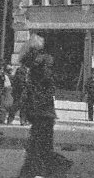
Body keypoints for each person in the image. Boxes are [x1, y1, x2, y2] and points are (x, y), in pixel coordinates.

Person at [18, 36, 72, 178]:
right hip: (43, 113)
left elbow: (41, 87)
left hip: (41, 113)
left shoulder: (38, 66)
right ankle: (47, 171)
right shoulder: (41, 65)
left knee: (38, 147)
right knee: (39, 147)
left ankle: (53, 169)